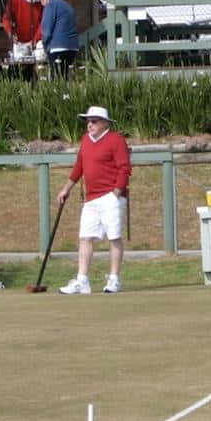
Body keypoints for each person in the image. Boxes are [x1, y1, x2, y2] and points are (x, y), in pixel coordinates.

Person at [57, 106, 130, 294]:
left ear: (105, 123)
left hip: (111, 197)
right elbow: (79, 167)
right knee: (85, 237)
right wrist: (66, 189)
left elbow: (124, 168)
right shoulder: (85, 140)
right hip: (90, 198)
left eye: (94, 121)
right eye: (88, 121)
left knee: (113, 237)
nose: (90, 124)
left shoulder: (116, 140)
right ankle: (82, 280)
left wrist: (116, 192)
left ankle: (114, 279)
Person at [37, 0, 79, 77]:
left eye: (40, 0)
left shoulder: (50, 5)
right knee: (66, 76)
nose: (41, 3)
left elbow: (47, 30)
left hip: (57, 47)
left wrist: (43, 45)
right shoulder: (66, 5)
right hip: (73, 47)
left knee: (56, 79)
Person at [2, 0, 44, 64]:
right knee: (20, 66)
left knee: (40, 62)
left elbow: (44, 21)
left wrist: (36, 39)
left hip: (38, 39)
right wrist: (10, 32)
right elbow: (6, 18)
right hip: (20, 40)